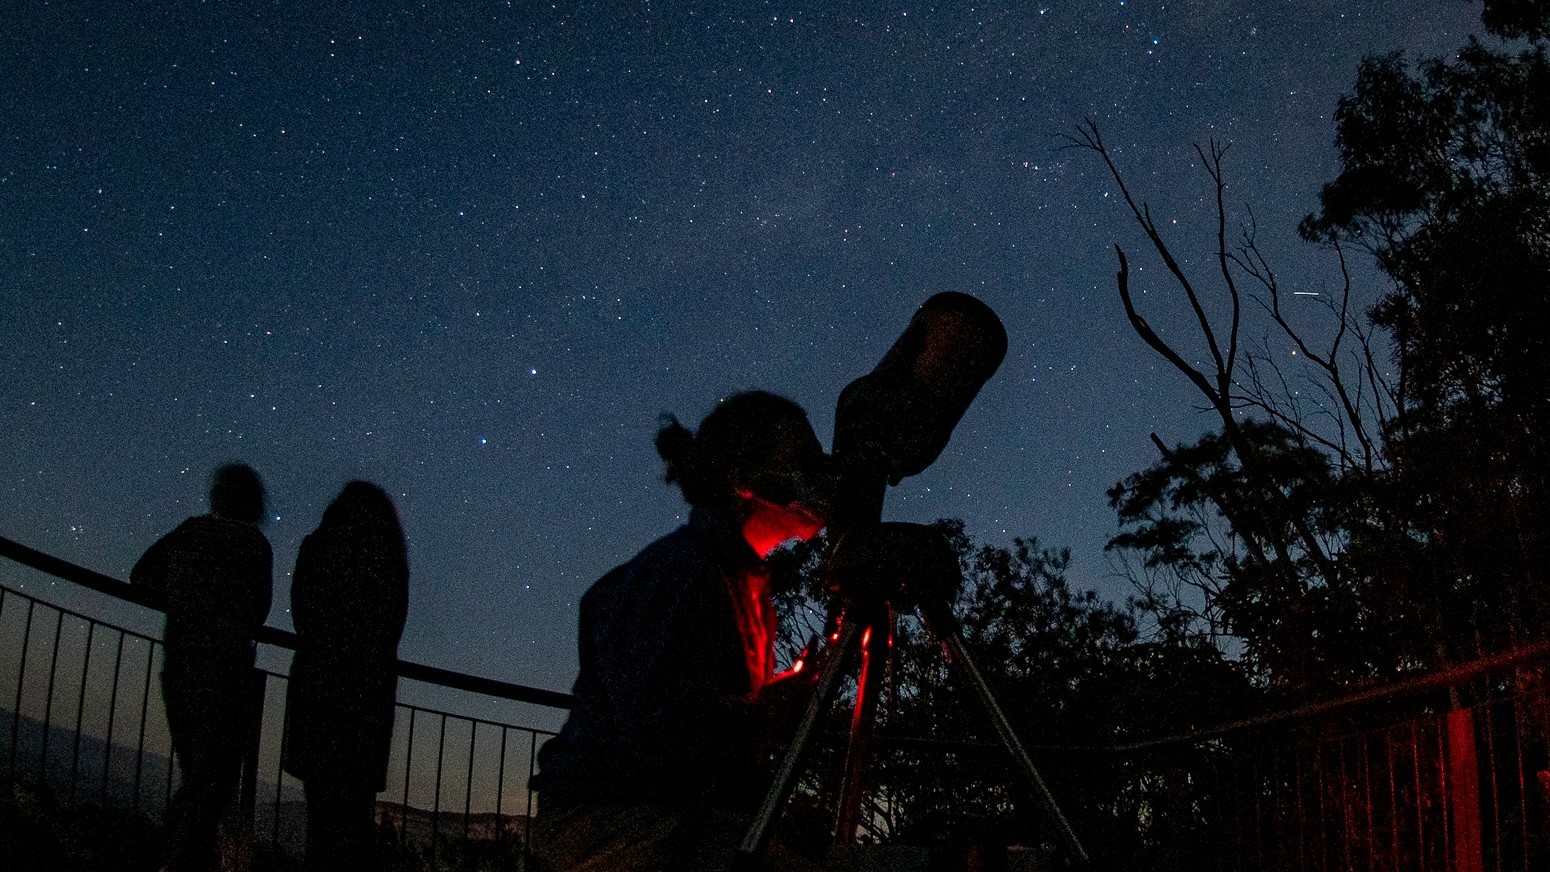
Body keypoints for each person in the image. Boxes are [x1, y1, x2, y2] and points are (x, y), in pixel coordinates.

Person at [530, 390, 835, 871]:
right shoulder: (682, 571)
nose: (821, 472)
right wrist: (769, 713)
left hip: (666, 812)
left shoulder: (739, 580)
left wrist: (778, 701)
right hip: (613, 821)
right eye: (803, 458)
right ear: (743, 476)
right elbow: (656, 727)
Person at [132, 462, 273, 872]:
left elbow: (141, 575)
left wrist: (183, 598)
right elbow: (259, 610)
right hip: (228, 675)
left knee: (198, 777)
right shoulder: (255, 546)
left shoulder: (191, 531)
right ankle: (183, 858)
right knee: (211, 784)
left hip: (180, 666)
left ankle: (181, 855)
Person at [282, 481, 410, 872]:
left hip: (317, 695)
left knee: (322, 821)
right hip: (367, 705)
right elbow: (392, 629)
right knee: (353, 825)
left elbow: (302, 614)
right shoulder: (390, 562)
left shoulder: (318, 548)